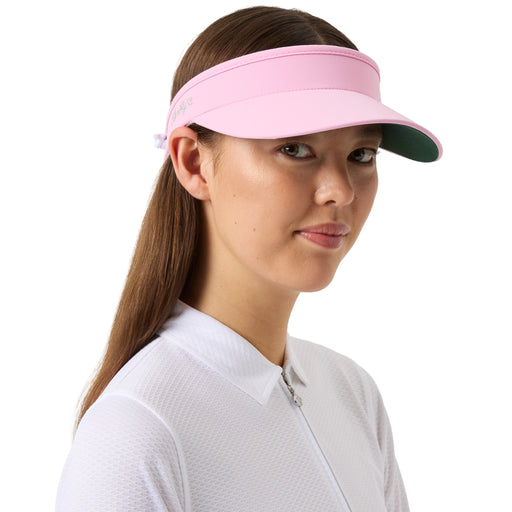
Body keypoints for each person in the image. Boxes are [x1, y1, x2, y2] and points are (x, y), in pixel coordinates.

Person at [56, 6, 442, 512]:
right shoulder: (136, 431)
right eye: (295, 148)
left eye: (361, 155)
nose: (340, 191)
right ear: (194, 163)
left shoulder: (352, 394)